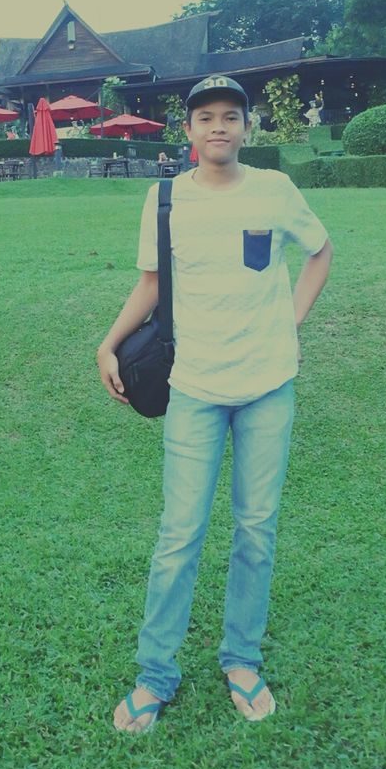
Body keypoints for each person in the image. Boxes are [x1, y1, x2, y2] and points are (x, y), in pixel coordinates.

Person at [96, 74, 333, 732]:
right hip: (194, 388)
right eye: (207, 117)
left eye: (232, 115)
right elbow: (150, 283)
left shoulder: (276, 190)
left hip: (267, 387)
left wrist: (290, 323)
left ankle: (242, 658)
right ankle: (155, 674)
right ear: (190, 130)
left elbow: (320, 252)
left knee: (256, 531)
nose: (220, 127)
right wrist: (107, 344)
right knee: (179, 536)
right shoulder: (165, 198)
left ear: (248, 128)